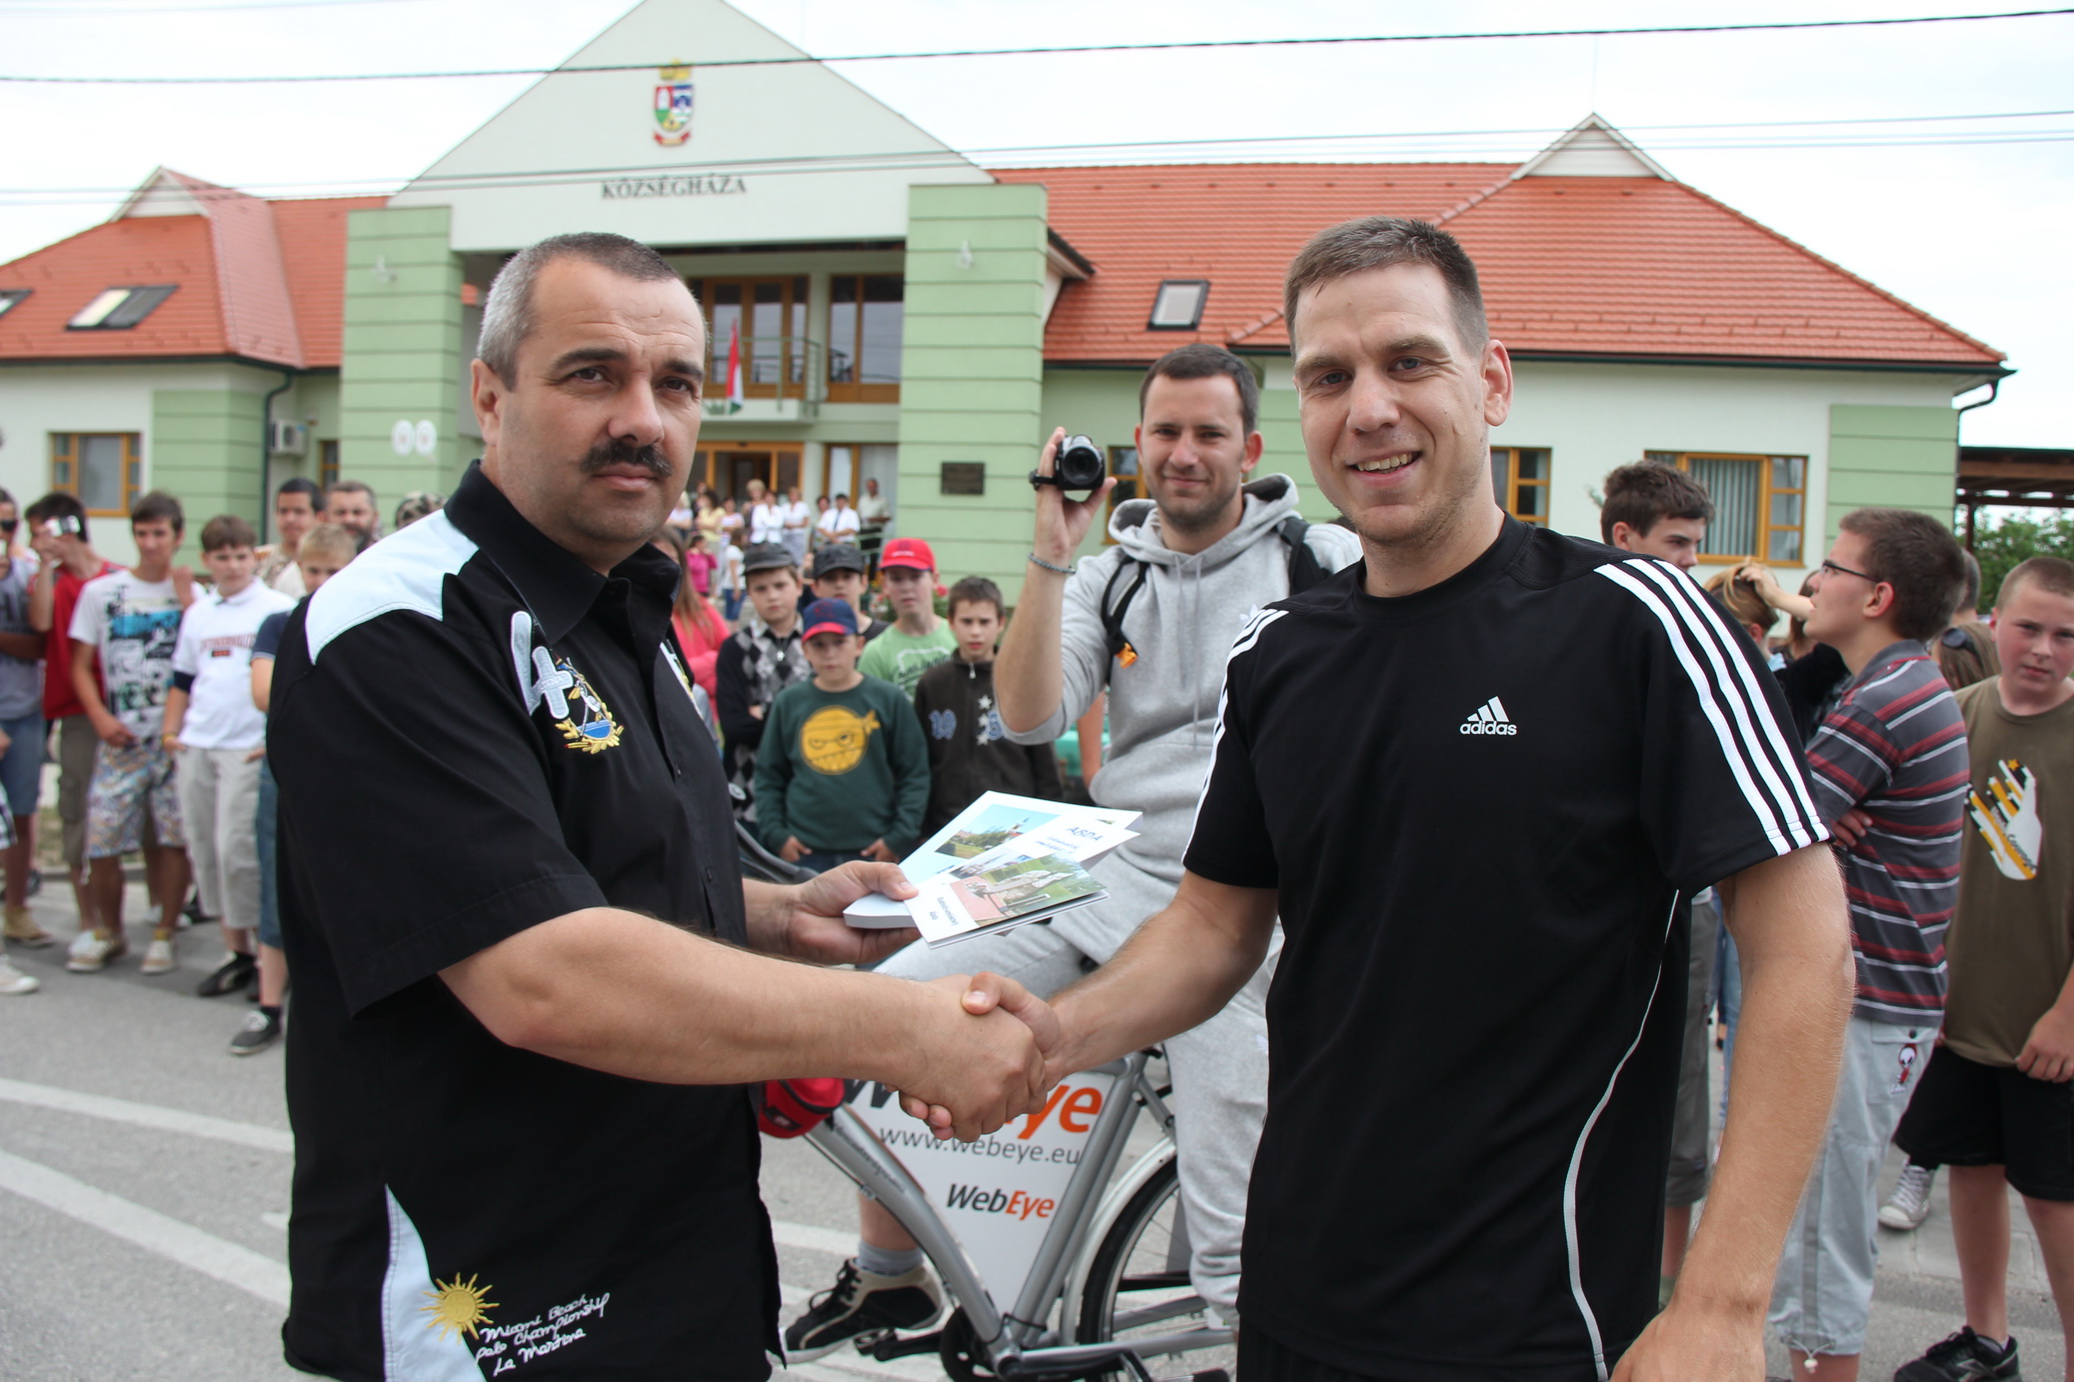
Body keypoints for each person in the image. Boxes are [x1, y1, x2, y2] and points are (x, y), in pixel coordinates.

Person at [936, 216, 1853, 1381]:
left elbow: (1805, 949)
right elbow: (1213, 927)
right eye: (1330, 376)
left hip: (1531, 1324)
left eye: (1408, 361)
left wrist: (1721, 1302)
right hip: (1296, 1295)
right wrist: (1055, 1038)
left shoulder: (1636, 623)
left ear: (1491, 381)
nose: (1368, 407)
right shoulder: (1279, 652)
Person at [268, 231, 1050, 1380]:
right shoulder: (399, 624)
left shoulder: (628, 610)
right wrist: (902, 1030)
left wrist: (779, 913)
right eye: (593, 373)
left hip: (684, 1262)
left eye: (675, 383)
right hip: (493, 1309)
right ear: (489, 394)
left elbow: (595, 868)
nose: (642, 417)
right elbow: (538, 968)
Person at [786, 341, 1361, 1360]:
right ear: (1139, 442)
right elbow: (1028, 713)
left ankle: (1252, 1333)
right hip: (1113, 866)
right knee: (885, 1011)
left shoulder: (1319, 563)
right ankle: (891, 1272)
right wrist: (1053, 551)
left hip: (1248, 903)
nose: (1185, 452)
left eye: (1209, 433)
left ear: (1250, 449)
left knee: (1239, 1231)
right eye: (1167, 432)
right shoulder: (1107, 574)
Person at [1767, 506, 1970, 1382]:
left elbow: (1766, 829)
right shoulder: (1891, 685)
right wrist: (1809, 813)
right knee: (1821, 1227)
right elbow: (1798, 814)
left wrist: (1802, 815)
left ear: (1878, 597)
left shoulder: (1882, 701)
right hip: (1885, 1000)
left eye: (1832, 567)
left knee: (1822, 1239)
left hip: (1868, 1006)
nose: (1814, 583)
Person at [1877, 557, 2074, 1382]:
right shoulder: (1955, 717)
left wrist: (2068, 1015)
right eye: (2029, 627)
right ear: (1995, 621)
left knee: (2054, 1200)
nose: (2044, 649)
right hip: (1955, 1010)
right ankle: (1988, 1339)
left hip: (2051, 1022)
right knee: (1971, 1168)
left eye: (2066, 635)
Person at [1599, 458, 1722, 1299]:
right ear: (1624, 537)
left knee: (1676, 1103)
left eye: (1695, 547)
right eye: (1676, 544)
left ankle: (1665, 1295)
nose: (1691, 563)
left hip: (1681, 905)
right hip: (1587, 911)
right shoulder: (1566, 630)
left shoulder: (1698, 638)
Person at [162, 514, 295, 999]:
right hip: (200, 741)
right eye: (222, 557)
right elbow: (183, 678)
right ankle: (234, 950)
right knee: (205, 849)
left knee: (238, 850)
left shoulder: (276, 608)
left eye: (241, 556)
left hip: (246, 747)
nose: (233, 565)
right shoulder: (199, 613)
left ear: (253, 558)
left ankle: (265, 954)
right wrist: (171, 731)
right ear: (207, 561)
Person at [240, 522, 357, 1055]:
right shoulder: (280, 623)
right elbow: (265, 693)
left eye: (333, 570)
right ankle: (268, 1005)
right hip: (286, 768)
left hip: (346, 771)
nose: (322, 580)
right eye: (313, 570)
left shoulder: (366, 621)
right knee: (276, 880)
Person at [65, 491, 193, 975]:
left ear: (177, 537)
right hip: (121, 738)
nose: (151, 543)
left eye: (160, 533)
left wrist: (188, 602)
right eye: (142, 533)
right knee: (102, 839)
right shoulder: (102, 593)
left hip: (172, 738)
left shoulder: (191, 596)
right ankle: (109, 931)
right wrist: (99, 716)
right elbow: (79, 665)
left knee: (174, 839)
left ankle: (164, 932)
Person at [754, 597, 928, 870]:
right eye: (819, 645)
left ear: (858, 645)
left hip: (873, 849)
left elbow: (914, 772)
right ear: (805, 650)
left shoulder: (888, 699)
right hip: (805, 852)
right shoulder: (789, 702)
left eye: (839, 642)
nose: (830, 653)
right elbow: (768, 774)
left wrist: (898, 837)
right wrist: (777, 835)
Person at [25, 493, 122, 941]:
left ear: (66, 528)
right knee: (76, 813)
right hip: (76, 716)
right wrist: (46, 564)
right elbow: (41, 622)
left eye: (40, 532)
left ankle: (147, 911)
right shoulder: (50, 581)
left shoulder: (115, 578)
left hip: (121, 710)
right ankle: (88, 919)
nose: (34, 542)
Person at [912, 576, 1064, 835]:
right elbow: (919, 762)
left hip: (1011, 825)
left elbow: (1044, 764)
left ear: (1000, 623)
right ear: (951, 622)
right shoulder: (932, 684)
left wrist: (1048, 825)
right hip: (947, 824)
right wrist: (921, 827)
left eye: (984, 622)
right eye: (966, 621)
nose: (975, 631)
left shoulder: (1022, 682)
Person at [716, 541, 809, 819]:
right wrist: (797, 719)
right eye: (761, 589)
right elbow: (734, 726)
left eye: (780, 585)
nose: (772, 596)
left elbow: (826, 716)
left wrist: (763, 714)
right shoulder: (735, 648)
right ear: (749, 593)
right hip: (748, 788)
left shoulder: (819, 644)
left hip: (808, 788)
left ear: (798, 585)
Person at [0, 487, 50, 951]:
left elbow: (40, 639)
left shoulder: (26, 572)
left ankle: (16, 909)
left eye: (8, 525)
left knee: (21, 813)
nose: (2, 533)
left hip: (24, 711)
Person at [858, 537, 955, 698]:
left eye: (915, 577)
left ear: (935, 580)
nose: (906, 587)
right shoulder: (876, 653)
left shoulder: (960, 637)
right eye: (896, 579)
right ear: (885, 585)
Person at [656, 527, 727, 699]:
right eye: (655, 557)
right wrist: (709, 661)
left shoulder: (700, 607)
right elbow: (664, 676)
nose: (663, 565)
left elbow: (728, 655)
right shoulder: (639, 619)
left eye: (671, 558)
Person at [805, 542, 889, 640]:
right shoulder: (807, 638)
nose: (839, 584)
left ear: (863, 583)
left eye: (847, 577)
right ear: (815, 587)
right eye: (829, 578)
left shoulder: (886, 636)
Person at [257, 477, 322, 597]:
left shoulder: (328, 563)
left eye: (299, 511)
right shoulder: (257, 559)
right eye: (283, 511)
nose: (289, 519)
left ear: (319, 517)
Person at [322, 479, 379, 550]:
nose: (349, 520)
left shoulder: (387, 554)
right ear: (324, 518)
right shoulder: (311, 555)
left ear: (374, 518)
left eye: (357, 512)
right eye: (341, 512)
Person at [718, 529, 747, 624]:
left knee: (736, 614)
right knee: (731, 614)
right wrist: (736, 588)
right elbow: (733, 570)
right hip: (732, 586)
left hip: (739, 584)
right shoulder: (733, 550)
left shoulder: (738, 550)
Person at [781, 483, 811, 565]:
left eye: (795, 495)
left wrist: (794, 526)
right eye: (791, 495)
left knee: (798, 556)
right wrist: (786, 525)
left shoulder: (803, 506)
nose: (793, 497)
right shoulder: (784, 506)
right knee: (786, 554)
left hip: (797, 534)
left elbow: (806, 522)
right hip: (786, 534)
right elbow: (780, 521)